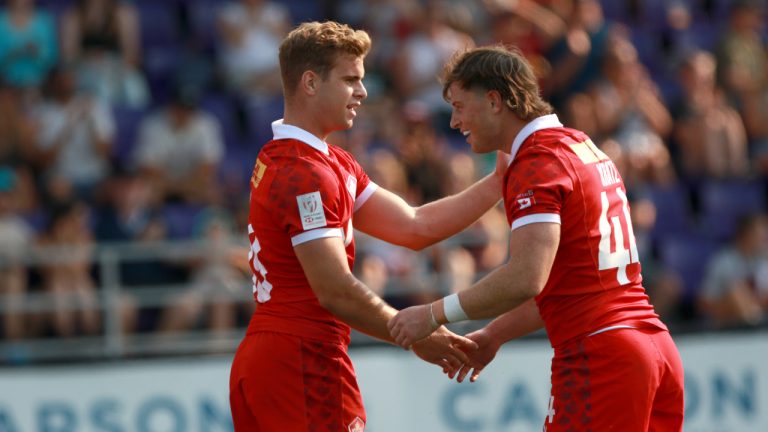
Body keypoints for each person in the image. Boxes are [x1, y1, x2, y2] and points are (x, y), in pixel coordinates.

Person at [228, 21, 510, 431]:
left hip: (280, 355)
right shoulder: (304, 172)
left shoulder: (323, 162)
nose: (363, 92)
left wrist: (499, 182)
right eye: (350, 80)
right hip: (301, 359)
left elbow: (416, 225)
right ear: (310, 82)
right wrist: (416, 333)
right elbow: (335, 289)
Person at [388, 45, 684, 431]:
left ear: (495, 101)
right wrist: (494, 335)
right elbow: (568, 285)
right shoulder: (582, 146)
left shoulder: (537, 162)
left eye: (460, 107)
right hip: (654, 348)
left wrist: (432, 314)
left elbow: (526, 277)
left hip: (601, 356)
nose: (454, 121)